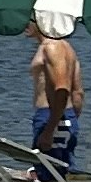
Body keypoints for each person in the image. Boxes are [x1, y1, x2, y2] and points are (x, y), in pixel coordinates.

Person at [29, 27, 84, 168]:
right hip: (64, 116)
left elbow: (62, 89)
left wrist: (50, 129)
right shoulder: (67, 47)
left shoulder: (51, 46)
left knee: (49, 173)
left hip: (52, 116)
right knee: (61, 171)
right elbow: (78, 93)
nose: (24, 24)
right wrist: (71, 121)